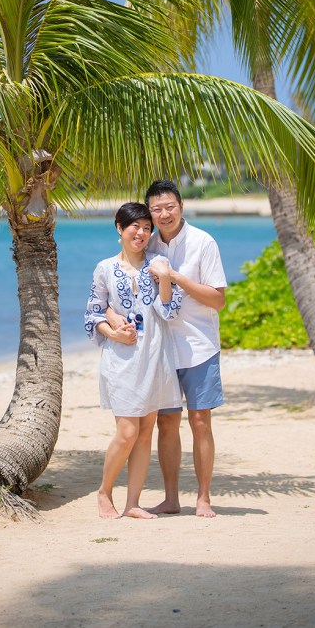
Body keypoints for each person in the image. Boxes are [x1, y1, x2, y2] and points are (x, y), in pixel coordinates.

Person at [106, 180, 227, 518]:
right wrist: (113, 318)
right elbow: (119, 287)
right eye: (156, 209)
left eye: (169, 207)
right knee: (166, 423)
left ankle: (203, 498)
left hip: (198, 345)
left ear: (181, 207)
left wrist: (174, 276)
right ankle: (171, 498)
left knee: (200, 421)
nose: (163, 214)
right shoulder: (146, 241)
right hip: (158, 349)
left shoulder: (203, 242)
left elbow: (218, 300)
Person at [84, 201, 182, 520]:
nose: (141, 233)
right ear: (119, 228)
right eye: (134, 227)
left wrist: (163, 278)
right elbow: (93, 314)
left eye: (146, 228)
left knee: (145, 433)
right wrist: (114, 333)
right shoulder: (104, 268)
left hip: (155, 357)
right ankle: (104, 491)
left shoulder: (159, 263)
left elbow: (170, 310)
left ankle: (133, 504)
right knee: (127, 432)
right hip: (122, 359)